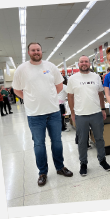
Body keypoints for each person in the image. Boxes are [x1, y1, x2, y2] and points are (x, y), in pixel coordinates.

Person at [13, 42, 74, 186]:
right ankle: (42, 172)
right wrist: (29, 99)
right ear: (29, 52)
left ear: (41, 51)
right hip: (34, 114)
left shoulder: (50, 67)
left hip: (53, 112)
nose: (36, 52)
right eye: (33, 50)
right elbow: (16, 89)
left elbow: (59, 85)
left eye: (38, 50)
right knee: (39, 144)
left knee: (57, 142)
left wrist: (50, 97)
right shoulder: (21, 70)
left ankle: (60, 167)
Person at [68, 55, 110, 175]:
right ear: (78, 64)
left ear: (89, 63)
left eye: (86, 61)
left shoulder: (96, 76)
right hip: (81, 115)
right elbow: (70, 96)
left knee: (99, 139)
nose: (84, 63)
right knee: (82, 141)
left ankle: (102, 160)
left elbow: (100, 93)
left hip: (96, 113)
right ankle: (83, 163)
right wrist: (72, 112)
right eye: (82, 61)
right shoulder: (72, 79)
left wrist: (102, 109)